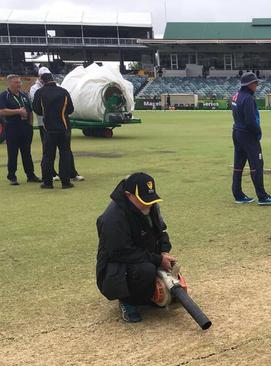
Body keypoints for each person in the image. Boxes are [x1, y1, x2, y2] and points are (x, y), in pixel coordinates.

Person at [96, 173, 176, 322]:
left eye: (150, 199)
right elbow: (120, 252)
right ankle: (127, 301)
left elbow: (161, 231)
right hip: (116, 266)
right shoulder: (112, 217)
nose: (149, 204)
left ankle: (149, 294)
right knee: (146, 270)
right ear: (128, 195)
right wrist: (158, 260)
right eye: (143, 200)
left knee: (163, 266)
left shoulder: (150, 206)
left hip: (141, 255)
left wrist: (164, 251)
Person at [230, 72, 271, 205]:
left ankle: (237, 193)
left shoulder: (236, 95)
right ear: (249, 84)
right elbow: (251, 121)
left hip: (237, 131)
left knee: (238, 164)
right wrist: (258, 133)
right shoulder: (248, 98)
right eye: (255, 83)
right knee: (257, 164)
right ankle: (262, 196)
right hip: (247, 134)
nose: (257, 86)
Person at [30, 67, 84, 182]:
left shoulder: (39, 92)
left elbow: (37, 110)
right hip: (63, 127)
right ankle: (66, 182)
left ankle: (48, 182)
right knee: (65, 154)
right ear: (52, 78)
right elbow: (70, 109)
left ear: (42, 80)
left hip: (48, 128)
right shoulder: (63, 91)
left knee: (48, 156)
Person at [0, 74, 40, 185]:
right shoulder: (4, 96)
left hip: (25, 127)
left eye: (19, 82)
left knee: (26, 152)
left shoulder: (24, 95)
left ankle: (30, 175)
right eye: (17, 82)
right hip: (11, 127)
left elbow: (30, 111)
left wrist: (30, 126)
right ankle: (12, 176)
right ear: (10, 83)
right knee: (13, 153)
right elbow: (1, 111)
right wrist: (17, 111)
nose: (19, 84)